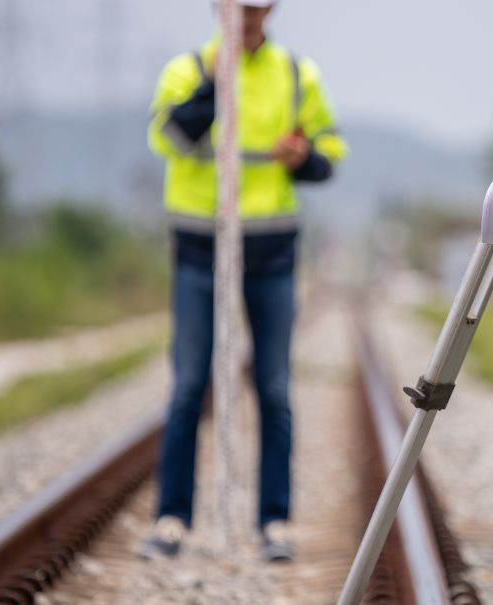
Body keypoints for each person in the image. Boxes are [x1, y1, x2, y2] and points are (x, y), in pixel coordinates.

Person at [139, 0, 346, 563]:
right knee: (188, 386)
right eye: (238, 7)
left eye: (255, 8)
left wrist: (302, 157)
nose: (246, 17)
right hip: (199, 250)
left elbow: (330, 155)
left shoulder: (297, 74)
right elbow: (171, 139)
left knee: (274, 389)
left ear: (270, 9)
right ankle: (172, 519)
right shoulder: (186, 70)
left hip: (271, 251)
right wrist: (215, 80)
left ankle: (274, 523)